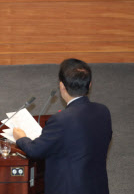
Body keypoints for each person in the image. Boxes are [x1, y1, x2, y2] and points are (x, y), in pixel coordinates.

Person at [13, 58, 112, 194]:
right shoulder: (103, 111)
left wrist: (21, 138)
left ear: (62, 86)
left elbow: (35, 151)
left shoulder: (61, 120)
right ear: (89, 85)